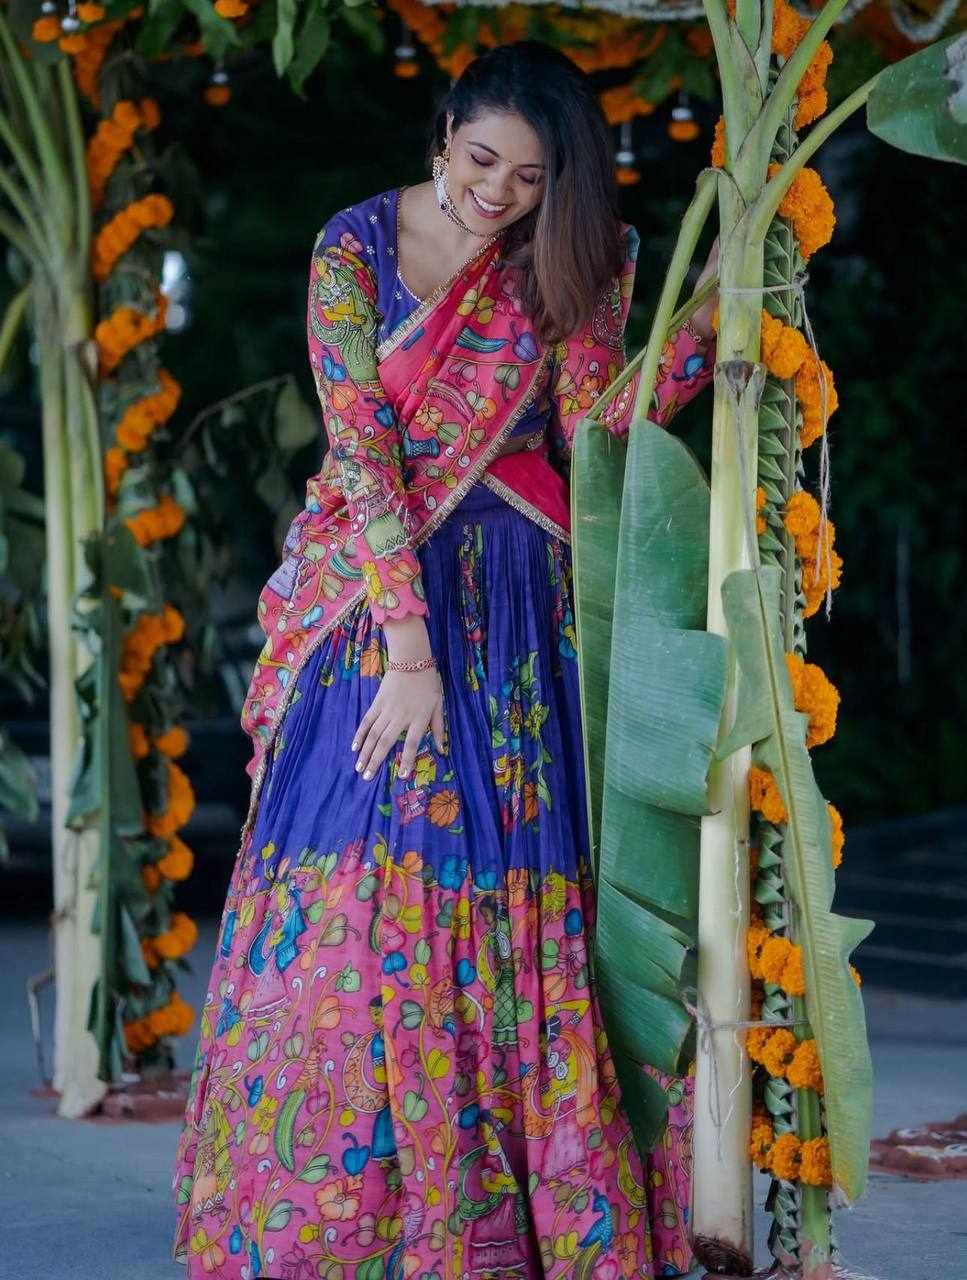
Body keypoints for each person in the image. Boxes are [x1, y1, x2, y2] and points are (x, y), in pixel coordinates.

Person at [171, 39, 718, 1280]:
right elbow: (359, 438)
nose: (498, 194)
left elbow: (592, 430)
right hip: (379, 598)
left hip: (520, 603)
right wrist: (405, 644)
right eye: (481, 161)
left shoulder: (574, 253)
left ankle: (501, 1218)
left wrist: (710, 311)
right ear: (444, 135)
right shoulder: (355, 246)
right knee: (351, 886)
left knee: (508, 882)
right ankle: (334, 1216)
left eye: (529, 178)